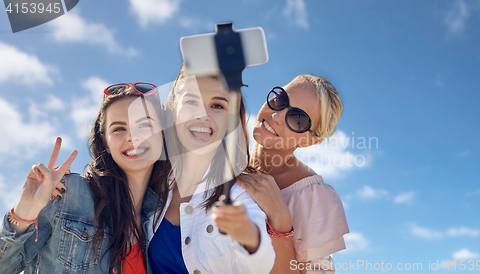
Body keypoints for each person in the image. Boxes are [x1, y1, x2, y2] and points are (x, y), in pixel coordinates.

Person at [0, 83, 170, 274]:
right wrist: (25, 212)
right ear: (105, 142)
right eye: (119, 129)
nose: (133, 137)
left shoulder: (163, 217)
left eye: (145, 125)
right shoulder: (67, 194)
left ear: (163, 134)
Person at [146, 69, 275, 274]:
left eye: (217, 105)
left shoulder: (239, 193)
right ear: (172, 110)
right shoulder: (149, 179)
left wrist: (251, 237)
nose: (203, 115)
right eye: (192, 102)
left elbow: (261, 263)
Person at [238, 75, 349, 273]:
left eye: (297, 119)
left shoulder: (313, 199)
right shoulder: (223, 158)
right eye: (280, 100)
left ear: (310, 141)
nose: (277, 116)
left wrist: (280, 223)